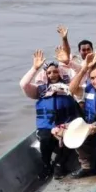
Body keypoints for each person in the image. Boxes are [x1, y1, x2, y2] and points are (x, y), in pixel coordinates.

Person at [20, 49, 80, 179]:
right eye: (49, 72)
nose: (53, 74)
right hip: (46, 125)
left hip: (67, 124)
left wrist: (68, 63)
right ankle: (46, 166)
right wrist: (35, 68)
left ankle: (59, 164)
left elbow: (82, 73)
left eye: (55, 71)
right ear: (45, 75)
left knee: (70, 138)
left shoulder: (70, 87)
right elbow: (23, 84)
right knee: (45, 139)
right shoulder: (39, 90)